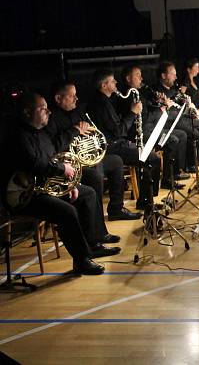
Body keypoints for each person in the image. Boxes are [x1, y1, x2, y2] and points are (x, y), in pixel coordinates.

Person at [4, 93, 121, 275]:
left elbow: (51, 160)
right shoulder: (18, 137)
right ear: (27, 112)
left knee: (88, 193)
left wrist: (70, 184)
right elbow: (35, 164)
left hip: (43, 188)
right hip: (26, 196)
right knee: (67, 211)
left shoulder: (42, 135)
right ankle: (81, 260)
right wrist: (62, 170)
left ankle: (93, 244)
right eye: (43, 108)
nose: (48, 111)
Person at [45, 80, 139, 222]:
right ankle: (96, 224)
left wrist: (88, 130)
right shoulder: (51, 119)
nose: (76, 99)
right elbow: (54, 147)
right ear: (58, 98)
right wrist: (75, 131)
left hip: (85, 160)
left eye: (76, 95)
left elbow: (93, 134)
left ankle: (116, 209)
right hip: (69, 165)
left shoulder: (77, 112)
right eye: (72, 96)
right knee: (96, 174)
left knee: (116, 162)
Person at [88, 68, 161, 211]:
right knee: (152, 159)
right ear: (104, 86)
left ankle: (146, 200)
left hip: (115, 143)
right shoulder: (101, 104)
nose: (116, 83)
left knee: (150, 157)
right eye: (112, 81)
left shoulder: (104, 101)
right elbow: (119, 131)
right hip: (112, 147)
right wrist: (133, 113)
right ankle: (145, 202)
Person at [118, 64, 187, 191]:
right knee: (172, 140)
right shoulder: (127, 96)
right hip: (139, 133)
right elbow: (144, 119)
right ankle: (166, 179)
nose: (141, 78)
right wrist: (162, 109)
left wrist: (158, 103)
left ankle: (171, 175)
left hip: (149, 128)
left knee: (178, 136)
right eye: (138, 75)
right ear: (128, 78)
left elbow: (147, 110)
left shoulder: (138, 93)